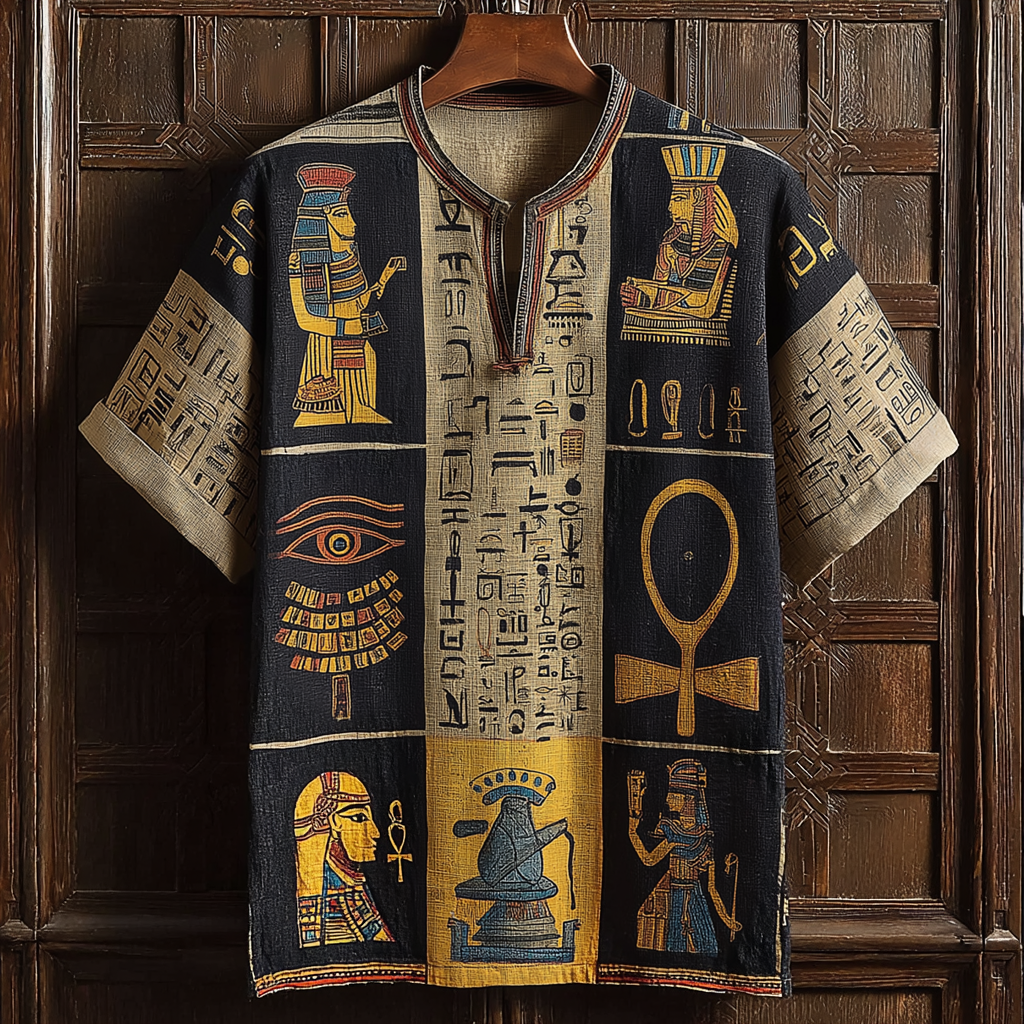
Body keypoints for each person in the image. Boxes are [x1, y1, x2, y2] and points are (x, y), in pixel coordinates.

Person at [289, 163, 405, 426]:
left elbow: (356, 301)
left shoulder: (348, 254)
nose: (352, 222)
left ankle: (360, 406)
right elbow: (306, 319)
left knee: (368, 360)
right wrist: (347, 327)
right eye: (342, 214)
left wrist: (382, 280)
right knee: (331, 412)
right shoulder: (307, 263)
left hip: (356, 339)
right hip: (327, 347)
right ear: (319, 219)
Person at [619, 144, 739, 346]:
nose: (670, 206)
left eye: (678, 198)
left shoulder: (722, 250)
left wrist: (647, 300)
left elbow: (705, 307)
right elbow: (662, 286)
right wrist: (639, 289)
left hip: (703, 338)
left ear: (699, 198)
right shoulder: (669, 245)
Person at [628, 759, 740, 955]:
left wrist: (726, 919)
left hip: (696, 897)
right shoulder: (672, 832)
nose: (668, 799)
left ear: (689, 800)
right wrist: (631, 831)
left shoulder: (704, 839)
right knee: (674, 945)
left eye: (674, 795)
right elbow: (649, 860)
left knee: (706, 948)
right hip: (673, 896)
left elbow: (711, 889)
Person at [293, 771, 394, 946]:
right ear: (334, 823)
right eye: (359, 818)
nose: (375, 833)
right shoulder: (338, 896)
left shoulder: (352, 883)